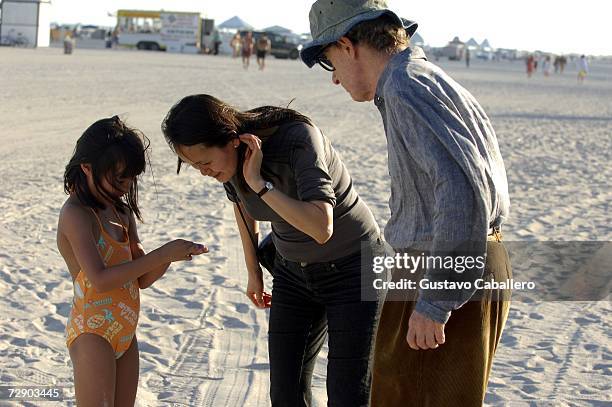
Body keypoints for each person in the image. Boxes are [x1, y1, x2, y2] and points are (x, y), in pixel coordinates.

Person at [301, 1, 511, 406]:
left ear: (348, 46)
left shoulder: (405, 86)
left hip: (441, 264)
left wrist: (435, 300)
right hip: (466, 257)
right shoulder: (427, 77)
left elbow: (460, 192)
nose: (335, 80)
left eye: (329, 62)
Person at [162, 94, 386, 406]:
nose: (204, 172)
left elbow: (322, 227)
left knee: (347, 394)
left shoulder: (298, 141)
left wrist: (260, 184)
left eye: (205, 162)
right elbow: (243, 210)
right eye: (194, 166)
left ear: (231, 140)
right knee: (285, 392)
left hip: (354, 269)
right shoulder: (230, 165)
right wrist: (253, 273)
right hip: (293, 274)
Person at [58, 116, 207, 405]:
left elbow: (141, 279)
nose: (125, 186)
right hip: (92, 331)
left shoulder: (121, 214)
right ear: (87, 168)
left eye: (130, 178)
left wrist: (170, 256)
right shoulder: (75, 214)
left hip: (126, 332)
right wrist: (161, 254)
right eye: (117, 178)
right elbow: (99, 280)